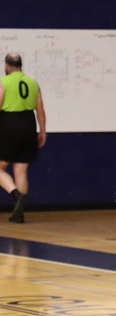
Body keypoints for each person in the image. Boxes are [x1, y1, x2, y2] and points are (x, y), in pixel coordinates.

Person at [0, 53, 47, 224]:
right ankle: (19, 214)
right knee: (21, 170)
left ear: (6, 66)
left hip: (9, 125)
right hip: (28, 125)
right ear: (21, 66)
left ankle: (16, 195)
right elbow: (40, 110)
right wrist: (42, 131)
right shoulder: (33, 83)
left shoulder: (3, 82)